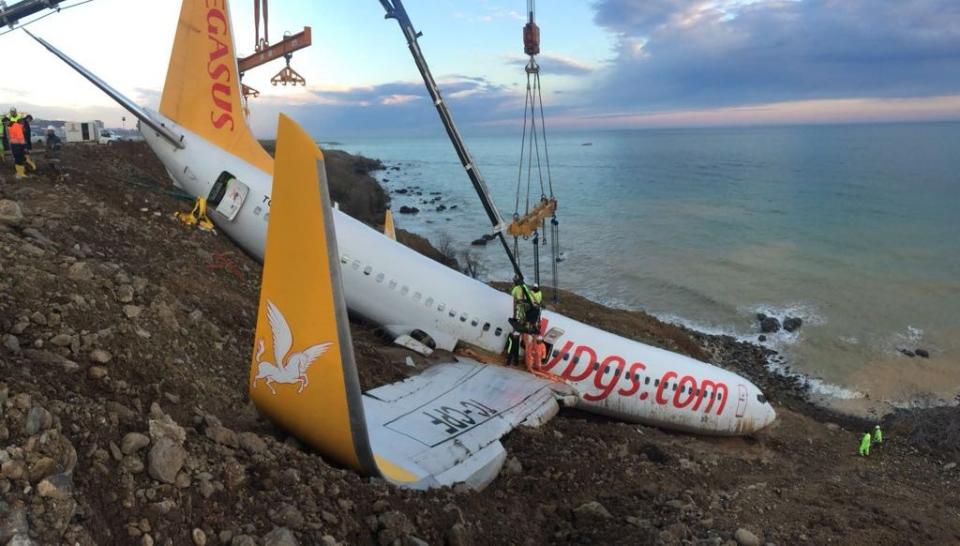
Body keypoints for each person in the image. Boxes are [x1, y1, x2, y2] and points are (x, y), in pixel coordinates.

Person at [5, 112, 29, 179]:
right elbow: (19, 138)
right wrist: (24, 147)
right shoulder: (14, 126)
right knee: (18, 159)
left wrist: (23, 146)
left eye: (5, 123)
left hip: (16, 145)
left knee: (18, 159)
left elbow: (18, 137)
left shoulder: (13, 126)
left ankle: (20, 173)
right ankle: (20, 173)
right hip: (16, 145)